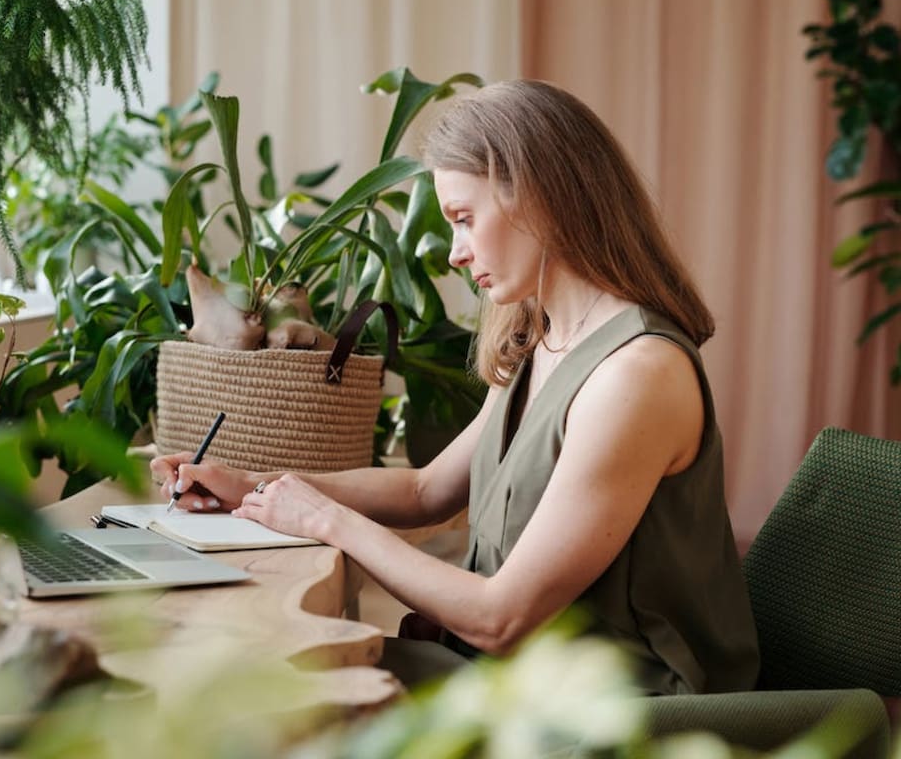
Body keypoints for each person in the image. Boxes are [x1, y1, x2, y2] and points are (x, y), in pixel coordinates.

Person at [150, 80, 760, 694]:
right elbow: (424, 490)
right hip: (515, 682)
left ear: (541, 197)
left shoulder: (635, 375)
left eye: (464, 220)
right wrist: (252, 487)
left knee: (258, 691)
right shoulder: (543, 338)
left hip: (615, 713)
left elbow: (503, 618)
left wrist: (328, 521)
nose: (456, 255)